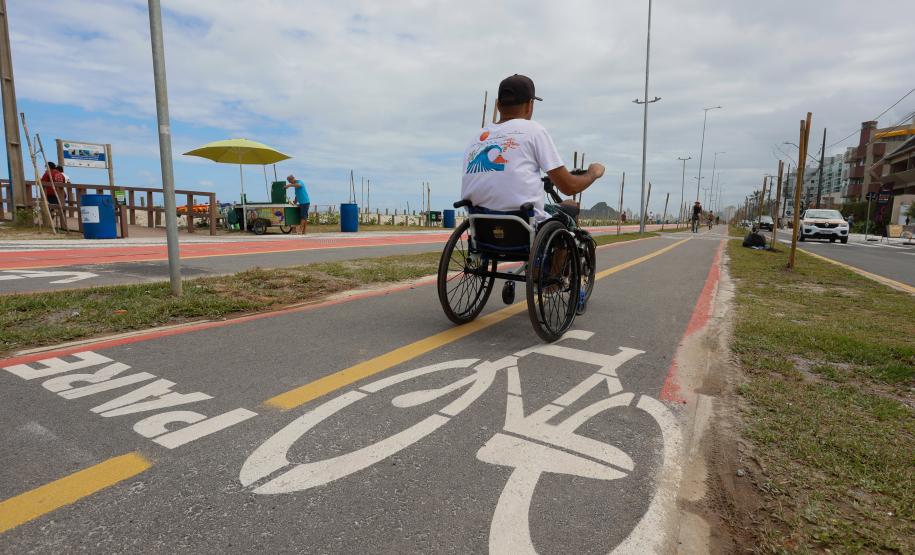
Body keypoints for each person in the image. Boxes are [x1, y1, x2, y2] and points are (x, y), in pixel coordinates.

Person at [461, 74, 604, 223]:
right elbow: (569, 187)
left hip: (480, 224)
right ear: (530, 105)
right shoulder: (533, 130)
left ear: (498, 105)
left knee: (564, 206)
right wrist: (593, 173)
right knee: (568, 213)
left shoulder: (477, 137)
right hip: (523, 225)